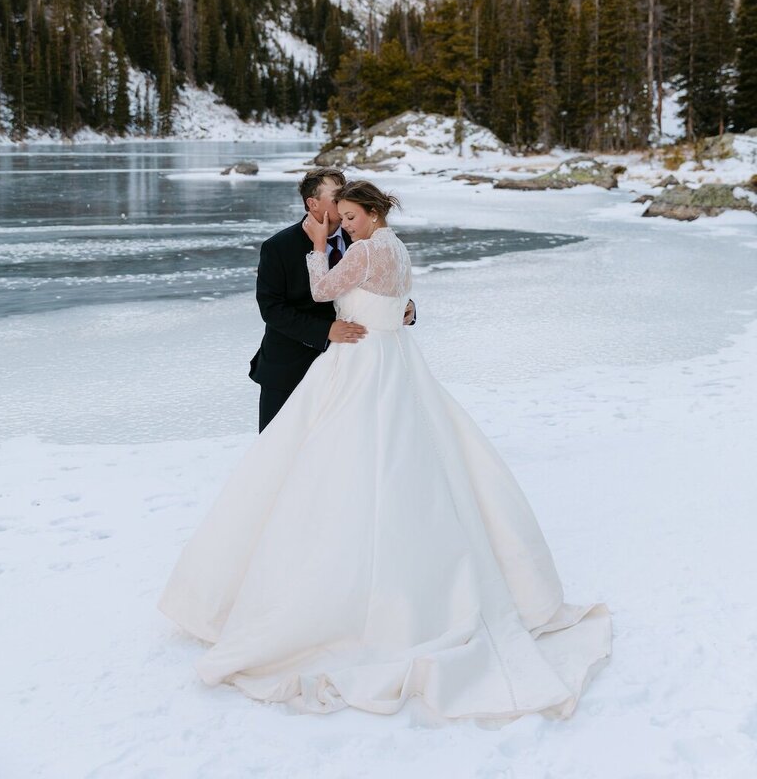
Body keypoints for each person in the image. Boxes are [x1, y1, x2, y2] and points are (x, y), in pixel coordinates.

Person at [159, 181, 611, 725]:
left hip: (360, 364)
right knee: (297, 463)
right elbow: (275, 308)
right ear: (312, 204)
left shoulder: (360, 244)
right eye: (334, 209)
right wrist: (350, 301)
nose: (340, 219)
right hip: (309, 363)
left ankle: (355, 592)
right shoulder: (291, 246)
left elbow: (341, 290)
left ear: (365, 213)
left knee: (352, 465)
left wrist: (352, 277)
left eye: (348, 212)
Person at [249, 166, 414, 432]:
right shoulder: (278, 247)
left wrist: (404, 307)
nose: (344, 198)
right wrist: (325, 331)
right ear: (312, 204)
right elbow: (272, 309)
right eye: (336, 195)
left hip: (352, 369)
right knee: (280, 450)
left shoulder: (362, 239)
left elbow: (383, 281)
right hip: (289, 368)